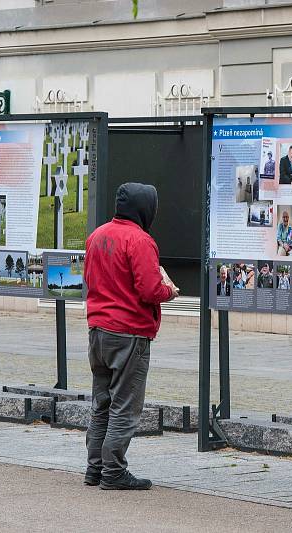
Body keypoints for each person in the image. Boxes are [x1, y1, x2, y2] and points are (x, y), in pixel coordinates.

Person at [84, 182, 179, 490]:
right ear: (144, 208)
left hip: (98, 331)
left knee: (102, 403)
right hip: (128, 334)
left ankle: (94, 469)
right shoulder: (140, 241)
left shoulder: (97, 236)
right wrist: (170, 291)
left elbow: (90, 279)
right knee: (125, 405)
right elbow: (150, 289)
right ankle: (113, 472)